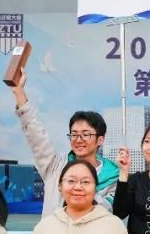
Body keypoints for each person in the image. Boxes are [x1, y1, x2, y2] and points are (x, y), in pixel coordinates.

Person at [8, 70, 119, 215]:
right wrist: (19, 92)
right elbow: (36, 136)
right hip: (54, 230)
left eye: (86, 134)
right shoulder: (55, 167)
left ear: (100, 140)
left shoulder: (112, 177)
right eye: (74, 134)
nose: (78, 139)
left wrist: (84, 192)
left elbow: (109, 211)